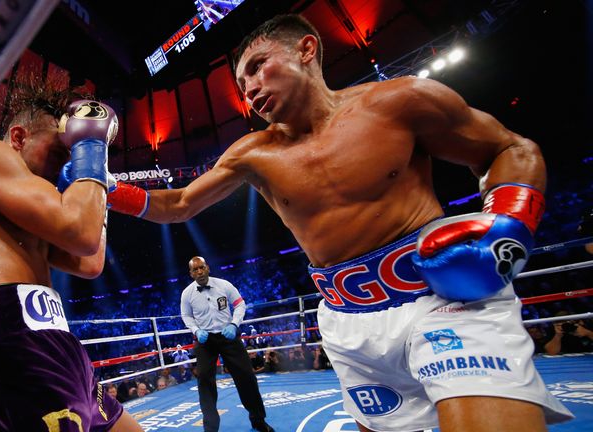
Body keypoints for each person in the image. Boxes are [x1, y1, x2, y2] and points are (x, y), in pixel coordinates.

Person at [106, 13, 573, 432]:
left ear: (307, 50)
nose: (247, 88)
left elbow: (512, 150)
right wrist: (102, 185)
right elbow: (178, 204)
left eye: (257, 66)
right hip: (348, 321)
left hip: (444, 299)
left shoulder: (398, 101)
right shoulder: (253, 153)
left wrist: (510, 224)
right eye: (240, 81)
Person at [0, 80, 142, 432]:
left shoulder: (30, 205)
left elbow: (90, 261)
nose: (65, 164)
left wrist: (92, 185)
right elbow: (80, 233)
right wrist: (92, 148)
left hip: (51, 340)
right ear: (19, 138)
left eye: (73, 155)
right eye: (58, 152)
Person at [179, 257, 274, 432]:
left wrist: (234, 324)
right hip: (205, 340)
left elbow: (239, 304)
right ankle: (211, 428)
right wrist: (195, 330)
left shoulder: (224, 285)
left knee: (247, 377)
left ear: (207, 268)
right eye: (195, 270)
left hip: (228, 336)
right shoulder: (187, 293)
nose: (199, 272)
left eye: (201, 268)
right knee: (205, 382)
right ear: (191, 273)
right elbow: (186, 316)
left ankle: (258, 420)